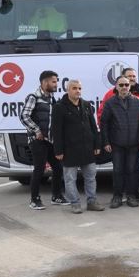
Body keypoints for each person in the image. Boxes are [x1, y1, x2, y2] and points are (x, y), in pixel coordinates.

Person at [19, 70, 68, 210]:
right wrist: (37, 131)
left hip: (50, 140)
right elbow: (24, 116)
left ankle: (56, 196)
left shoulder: (52, 98)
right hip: (37, 140)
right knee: (39, 169)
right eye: (53, 81)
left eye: (56, 81)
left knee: (58, 168)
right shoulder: (33, 97)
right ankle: (34, 200)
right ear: (44, 82)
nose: (56, 84)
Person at [51, 79, 102, 214]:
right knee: (70, 179)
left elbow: (93, 126)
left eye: (79, 88)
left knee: (91, 177)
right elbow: (56, 131)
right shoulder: (59, 107)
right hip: (69, 150)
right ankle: (75, 203)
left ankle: (92, 201)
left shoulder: (86, 105)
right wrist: (58, 150)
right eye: (74, 88)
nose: (77, 91)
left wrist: (97, 143)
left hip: (87, 148)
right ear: (68, 90)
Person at [100, 75, 139, 208]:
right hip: (117, 144)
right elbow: (104, 124)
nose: (124, 87)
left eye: (126, 85)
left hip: (134, 143)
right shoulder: (110, 103)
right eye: (121, 85)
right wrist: (106, 142)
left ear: (130, 86)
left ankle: (131, 196)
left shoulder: (137, 101)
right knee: (118, 171)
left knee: (132, 170)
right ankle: (117, 196)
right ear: (116, 86)